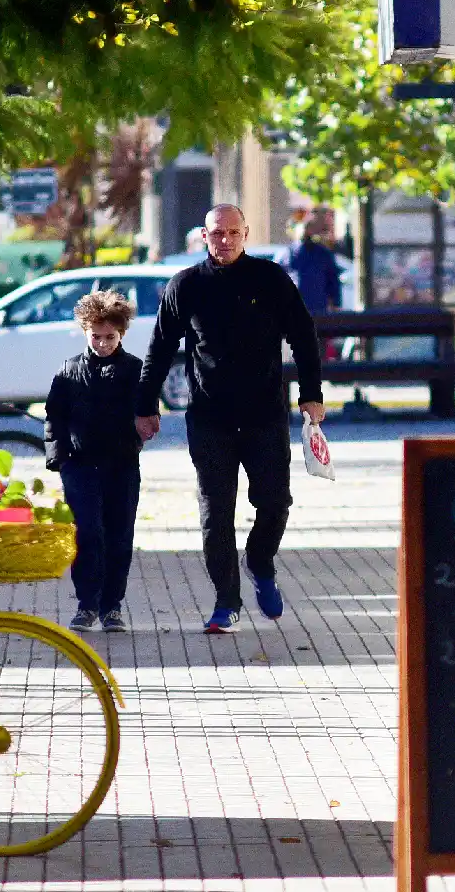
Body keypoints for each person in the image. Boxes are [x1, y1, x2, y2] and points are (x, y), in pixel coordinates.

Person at [135, 204, 325, 633]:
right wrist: (145, 406)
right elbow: (160, 348)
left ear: (246, 234)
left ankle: (260, 560)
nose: (224, 240)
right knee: (215, 513)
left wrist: (311, 395)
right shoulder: (186, 285)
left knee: (275, 503)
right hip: (209, 418)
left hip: (264, 415)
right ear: (204, 237)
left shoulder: (270, 279)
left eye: (232, 233)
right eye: (216, 234)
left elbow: (303, 336)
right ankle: (227, 601)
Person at [44, 291, 143, 633]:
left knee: (119, 535)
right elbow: (54, 415)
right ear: (84, 332)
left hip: (122, 465)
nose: (102, 343)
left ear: (122, 334)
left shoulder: (133, 370)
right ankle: (86, 604)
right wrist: (57, 456)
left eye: (110, 338)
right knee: (87, 533)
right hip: (80, 465)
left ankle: (111, 606)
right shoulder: (69, 370)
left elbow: (145, 410)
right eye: (95, 337)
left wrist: (143, 428)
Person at [279, 216, 342, 316]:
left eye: (309, 228)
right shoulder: (289, 253)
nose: (307, 232)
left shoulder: (323, 254)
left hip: (318, 307)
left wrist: (336, 303)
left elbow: (333, 279)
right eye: (304, 228)